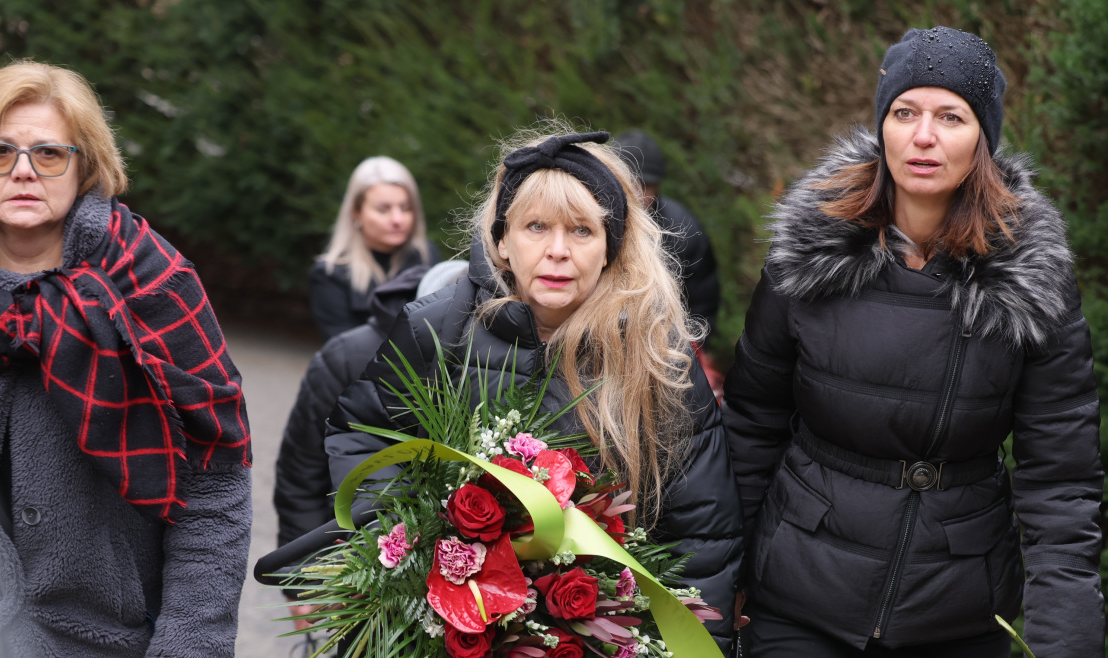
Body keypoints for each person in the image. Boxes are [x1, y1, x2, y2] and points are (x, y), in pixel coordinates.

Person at [723, 27, 1103, 657]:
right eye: (905, 112)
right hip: (799, 599)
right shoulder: (809, 254)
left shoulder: (1032, 278)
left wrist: (1067, 641)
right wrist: (717, 587)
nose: (923, 136)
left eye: (950, 116)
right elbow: (752, 425)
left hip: (957, 611)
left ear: (983, 136)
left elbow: (1060, 483)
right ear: (882, 127)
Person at [322, 128, 744, 651]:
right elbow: (362, 435)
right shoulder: (438, 328)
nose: (558, 251)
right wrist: (410, 545)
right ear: (501, 238)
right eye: (536, 227)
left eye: (582, 231)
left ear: (612, 245)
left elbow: (702, 532)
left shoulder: (660, 358)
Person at [0, 60, 252, 657]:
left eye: (50, 154)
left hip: (101, 641)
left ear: (85, 164)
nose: (24, 172)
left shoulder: (154, 284)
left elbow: (215, 487)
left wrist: (190, 645)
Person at [273, 260, 466, 637]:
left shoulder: (499, 362)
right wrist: (303, 585)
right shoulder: (349, 356)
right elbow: (301, 477)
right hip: (357, 578)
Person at [309, 156, 439, 342]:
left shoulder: (427, 256)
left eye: (405, 208)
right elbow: (344, 351)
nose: (397, 219)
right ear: (356, 212)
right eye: (383, 209)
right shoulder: (329, 274)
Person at [614, 130, 721, 338]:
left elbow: (702, 309)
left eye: (646, 186)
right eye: (627, 182)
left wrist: (682, 352)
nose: (636, 193)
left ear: (658, 186)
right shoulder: (584, 223)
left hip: (660, 343)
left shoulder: (685, 231)